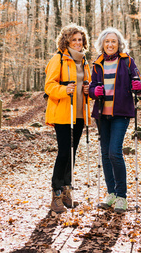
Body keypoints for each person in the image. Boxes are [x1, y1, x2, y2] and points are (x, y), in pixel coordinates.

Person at [89, 27, 141, 213]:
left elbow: (138, 83)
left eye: (113, 41)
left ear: (119, 43)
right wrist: (93, 91)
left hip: (121, 113)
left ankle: (122, 196)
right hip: (102, 114)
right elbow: (91, 87)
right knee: (105, 154)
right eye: (107, 41)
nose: (110, 44)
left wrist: (139, 86)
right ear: (102, 44)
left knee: (114, 152)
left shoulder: (127, 61)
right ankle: (111, 193)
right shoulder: (97, 64)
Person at [45, 23, 91, 213]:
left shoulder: (85, 61)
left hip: (79, 113)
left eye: (80, 39)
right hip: (63, 112)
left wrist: (88, 90)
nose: (78, 43)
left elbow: (86, 84)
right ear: (67, 41)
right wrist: (65, 90)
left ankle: (66, 191)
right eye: (74, 40)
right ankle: (56, 193)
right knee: (64, 153)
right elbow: (49, 86)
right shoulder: (59, 59)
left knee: (72, 154)